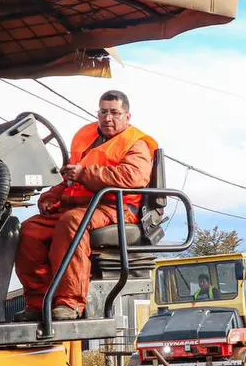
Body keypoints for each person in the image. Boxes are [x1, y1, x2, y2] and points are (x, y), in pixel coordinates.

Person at [14, 90, 155, 320]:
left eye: (114, 112)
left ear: (127, 117)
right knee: (30, 230)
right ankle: (39, 303)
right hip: (80, 205)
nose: (108, 117)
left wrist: (85, 174)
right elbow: (71, 174)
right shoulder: (85, 136)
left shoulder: (135, 143)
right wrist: (51, 196)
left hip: (116, 208)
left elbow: (133, 177)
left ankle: (70, 302)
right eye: (103, 112)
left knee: (72, 223)